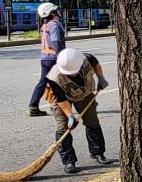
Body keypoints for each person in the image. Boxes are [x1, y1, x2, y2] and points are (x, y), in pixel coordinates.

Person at [45, 46, 111, 174]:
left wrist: (101, 77)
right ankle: (69, 161)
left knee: (92, 121)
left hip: (84, 93)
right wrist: (70, 116)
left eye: (73, 72)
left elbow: (95, 64)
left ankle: (98, 152)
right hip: (61, 98)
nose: (71, 74)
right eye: (68, 73)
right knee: (63, 128)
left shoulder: (86, 58)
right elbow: (61, 99)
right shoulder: (54, 76)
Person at [28, 2, 64, 117]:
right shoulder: (54, 25)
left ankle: (33, 106)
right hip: (54, 58)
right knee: (63, 81)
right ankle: (64, 105)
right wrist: (62, 58)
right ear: (53, 13)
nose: (59, 11)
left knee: (44, 82)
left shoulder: (46, 25)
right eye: (56, 10)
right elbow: (56, 42)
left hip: (45, 58)